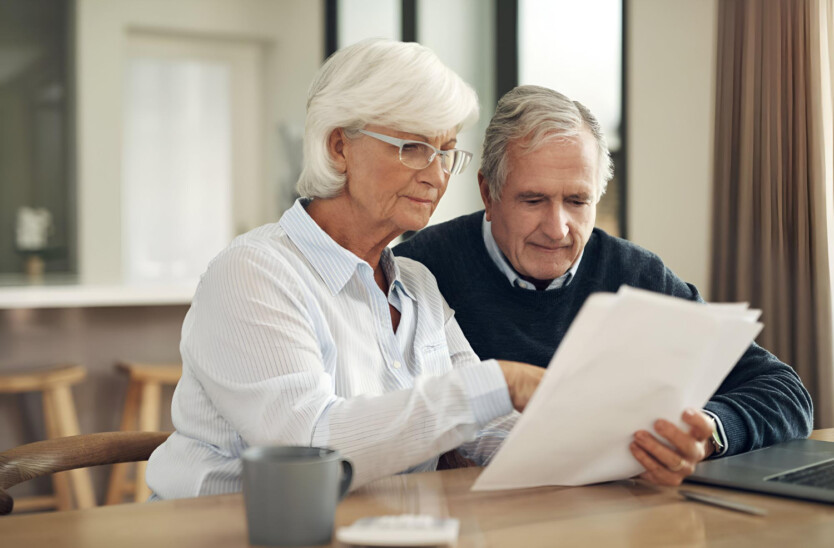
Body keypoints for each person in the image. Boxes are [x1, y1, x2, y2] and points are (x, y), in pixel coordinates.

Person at [144, 40, 546, 499]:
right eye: (413, 147)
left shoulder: (417, 285)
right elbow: (311, 450)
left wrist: (626, 442)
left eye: (446, 151)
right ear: (339, 147)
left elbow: (491, 430)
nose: (436, 176)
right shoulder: (254, 273)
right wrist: (498, 381)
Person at [394, 85, 814, 486]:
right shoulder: (420, 270)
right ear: (488, 192)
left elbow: (786, 393)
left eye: (578, 202)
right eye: (533, 200)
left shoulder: (638, 275)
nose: (557, 229)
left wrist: (710, 432)